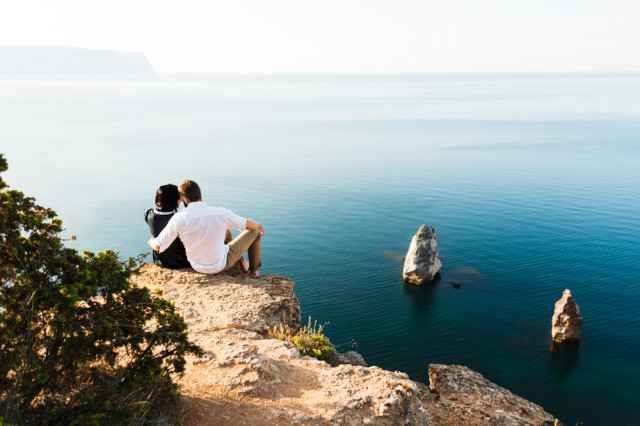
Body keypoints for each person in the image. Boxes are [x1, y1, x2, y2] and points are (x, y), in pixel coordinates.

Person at [148, 180, 264, 277]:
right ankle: (254, 272)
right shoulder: (220, 213)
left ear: (185, 199)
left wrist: (151, 241)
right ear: (199, 194)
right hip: (219, 265)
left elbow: (159, 246)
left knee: (226, 231)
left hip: (196, 266)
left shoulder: (178, 218)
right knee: (255, 231)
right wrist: (258, 226)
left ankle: (243, 263)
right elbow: (245, 224)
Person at [144, 184, 190, 269]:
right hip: (181, 261)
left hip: (160, 261)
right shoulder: (179, 220)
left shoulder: (148, 214)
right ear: (176, 202)